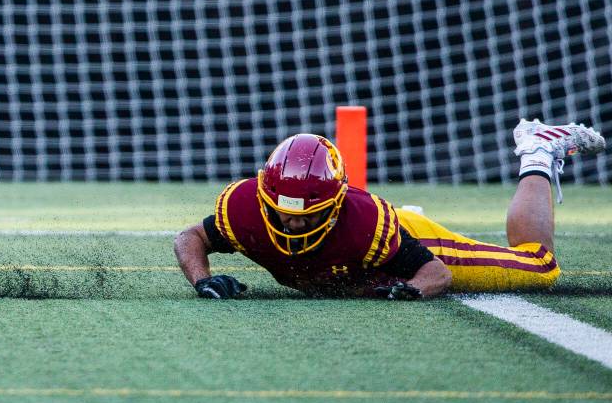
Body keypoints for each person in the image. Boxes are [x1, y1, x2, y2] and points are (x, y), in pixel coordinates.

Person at [174, 119, 605, 300]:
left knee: (541, 267)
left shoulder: (365, 225)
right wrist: (203, 280)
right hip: (366, 245)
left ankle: (538, 150)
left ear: (336, 204)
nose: (292, 221)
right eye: (282, 210)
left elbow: (438, 272)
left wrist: (412, 288)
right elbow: (189, 237)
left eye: (308, 213)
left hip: (410, 237)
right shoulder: (243, 209)